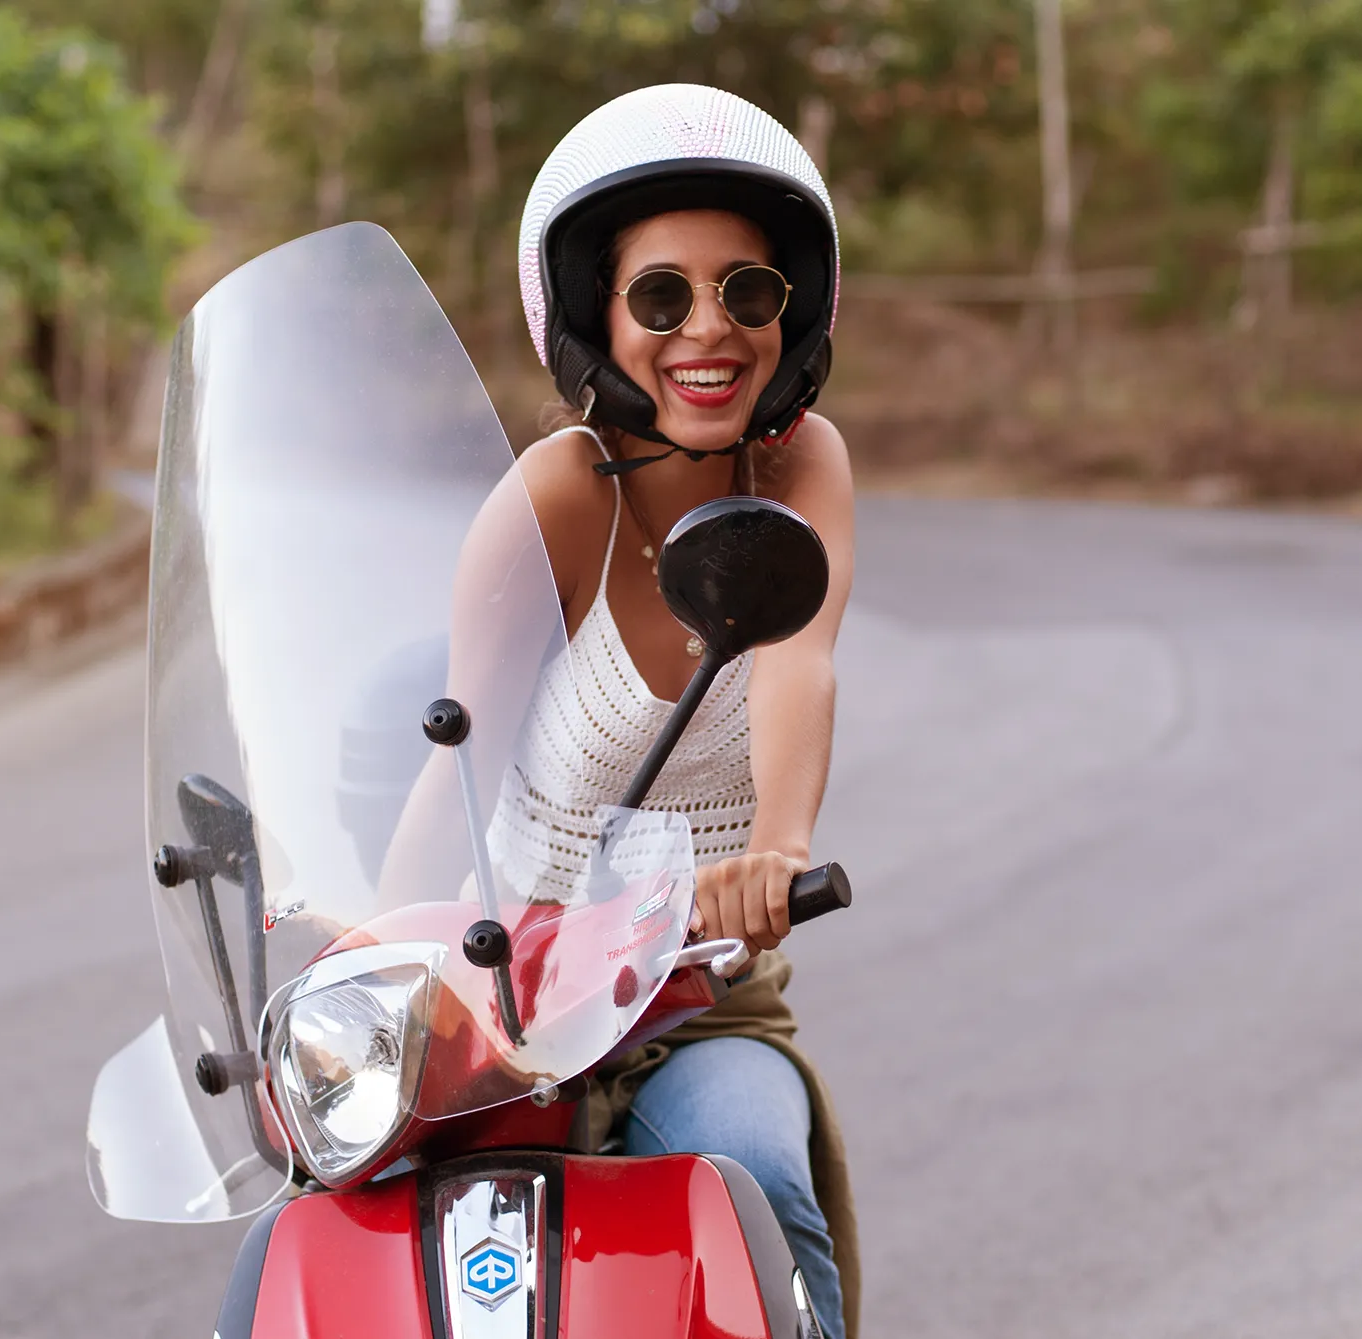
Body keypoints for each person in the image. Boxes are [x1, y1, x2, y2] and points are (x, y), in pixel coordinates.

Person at [491, 83, 859, 1339]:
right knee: (326, 1222)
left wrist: (776, 849)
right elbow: (442, 735)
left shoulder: (802, 464)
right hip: (502, 1003)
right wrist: (382, 933)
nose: (707, 327)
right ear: (597, 316)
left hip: (691, 994)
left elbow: (798, 657)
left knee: (749, 1169)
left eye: (745, 291)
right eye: (661, 296)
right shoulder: (560, 491)